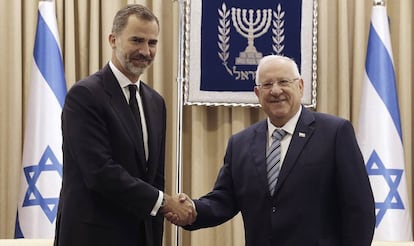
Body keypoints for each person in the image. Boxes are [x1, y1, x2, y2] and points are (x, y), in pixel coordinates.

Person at [169, 55, 376, 245]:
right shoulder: (240, 144)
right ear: (258, 93)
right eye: (267, 84)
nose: (276, 91)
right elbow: (223, 201)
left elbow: (360, 209)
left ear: (301, 86)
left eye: (284, 82)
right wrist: (193, 209)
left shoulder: (335, 133)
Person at [54, 4, 195, 246]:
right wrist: (164, 202)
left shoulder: (155, 102)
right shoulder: (85, 95)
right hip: (92, 237)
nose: (145, 51)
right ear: (113, 39)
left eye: (152, 43)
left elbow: (155, 177)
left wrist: (163, 210)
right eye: (137, 40)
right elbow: (100, 172)